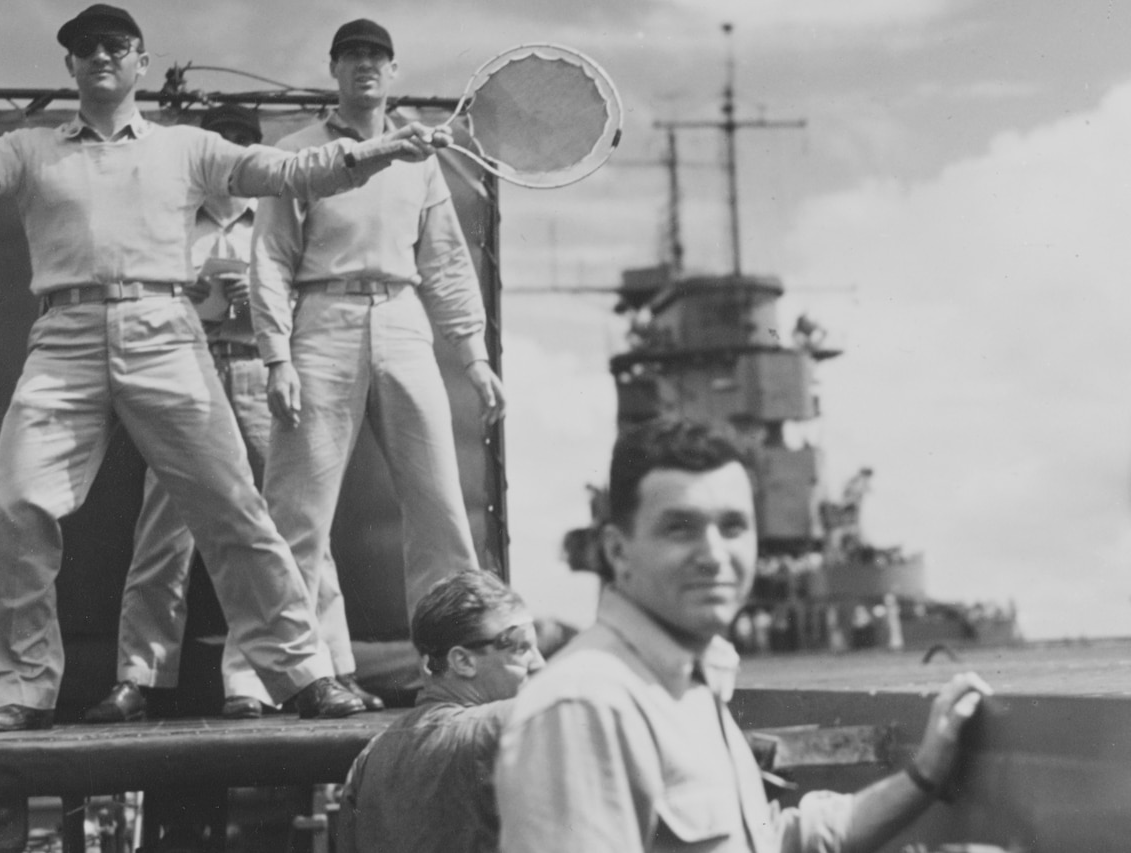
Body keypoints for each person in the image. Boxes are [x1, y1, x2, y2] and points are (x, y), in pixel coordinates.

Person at [0, 4, 448, 731]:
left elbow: (288, 170)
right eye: (84, 47)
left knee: (234, 506)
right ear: (70, 66)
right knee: (15, 503)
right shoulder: (28, 148)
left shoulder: (187, 148)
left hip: (166, 330)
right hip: (64, 336)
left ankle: (301, 672)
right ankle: (14, 689)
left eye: (115, 45)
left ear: (139, 62)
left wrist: (377, 152)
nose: (100, 55)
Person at [496, 417, 993, 853]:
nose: (714, 554)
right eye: (680, 528)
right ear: (618, 551)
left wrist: (923, 774)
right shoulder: (586, 708)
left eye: (733, 526)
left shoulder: (690, 687)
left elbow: (772, 842)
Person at [251, 18, 506, 709]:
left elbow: (447, 263)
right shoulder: (295, 152)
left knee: (440, 510)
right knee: (297, 513)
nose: (365, 66)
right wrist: (277, 354)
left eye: (377, 57)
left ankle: (455, 672)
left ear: (392, 72)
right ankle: (295, 675)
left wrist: (474, 356)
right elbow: (270, 257)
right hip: (321, 319)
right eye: (353, 55)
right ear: (334, 69)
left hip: (401, 317)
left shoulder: (422, 156)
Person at [83, 104, 275, 723]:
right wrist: (183, 291)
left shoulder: (276, 219)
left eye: (247, 143)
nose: (235, 154)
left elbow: (307, 295)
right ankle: (139, 678)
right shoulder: (169, 218)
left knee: (274, 529)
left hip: (255, 370)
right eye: (227, 142)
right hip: (181, 374)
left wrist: (261, 298)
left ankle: (257, 678)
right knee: (163, 534)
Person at [337, 571, 542, 853]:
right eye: (520, 647)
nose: (539, 663)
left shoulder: (370, 757)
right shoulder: (504, 724)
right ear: (463, 661)